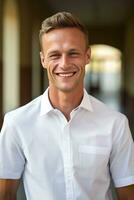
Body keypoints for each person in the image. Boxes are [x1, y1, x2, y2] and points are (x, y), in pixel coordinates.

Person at [0, 11, 134, 200]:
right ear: (43, 60)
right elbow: (4, 195)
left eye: (73, 53)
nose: (64, 64)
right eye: (55, 55)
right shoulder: (16, 123)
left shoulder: (116, 124)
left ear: (87, 56)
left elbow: (128, 196)